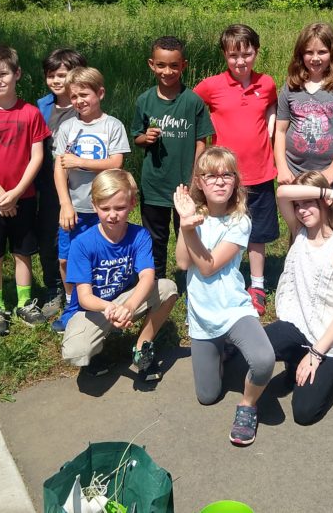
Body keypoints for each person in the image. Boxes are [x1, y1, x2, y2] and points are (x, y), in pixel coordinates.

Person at [173, 147, 276, 447]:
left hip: (233, 309)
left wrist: (189, 227)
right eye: (211, 176)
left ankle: (247, 405)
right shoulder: (194, 217)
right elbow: (182, 263)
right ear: (200, 183)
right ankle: (222, 349)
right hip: (202, 315)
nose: (219, 182)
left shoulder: (239, 221)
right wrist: (186, 222)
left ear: (235, 182)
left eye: (226, 175)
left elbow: (206, 267)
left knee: (263, 360)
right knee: (207, 396)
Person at [60, 169, 178, 381]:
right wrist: (110, 309)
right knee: (76, 352)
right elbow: (85, 297)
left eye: (120, 207)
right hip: (92, 308)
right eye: (105, 208)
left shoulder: (139, 235)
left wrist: (129, 306)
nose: (112, 215)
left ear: (132, 204)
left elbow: (147, 276)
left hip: (124, 301)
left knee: (167, 288)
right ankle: (97, 349)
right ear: (94, 206)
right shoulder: (82, 243)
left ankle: (142, 347)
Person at [265, 172, 333, 425]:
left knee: (304, 413)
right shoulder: (298, 230)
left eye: (308, 202)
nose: (301, 210)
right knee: (256, 351)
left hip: (326, 341)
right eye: (297, 205)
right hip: (296, 327)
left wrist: (317, 354)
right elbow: (280, 193)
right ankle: (295, 360)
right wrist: (327, 192)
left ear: (325, 204)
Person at [194, 24, 278, 316]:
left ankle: (256, 284)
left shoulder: (266, 83)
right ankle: (220, 276)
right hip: (224, 176)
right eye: (233, 56)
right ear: (224, 56)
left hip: (262, 172)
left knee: (258, 232)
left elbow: (273, 106)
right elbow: (190, 107)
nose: (240, 62)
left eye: (247, 54)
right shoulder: (211, 86)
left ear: (256, 52)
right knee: (223, 227)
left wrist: (269, 127)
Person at [0, 45, 50, 336]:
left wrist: (15, 193)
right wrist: (2, 195)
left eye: (3, 74)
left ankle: (25, 303)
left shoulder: (31, 113)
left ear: (17, 74)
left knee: (23, 253)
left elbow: (37, 156)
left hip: (24, 197)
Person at [53, 67, 129, 329]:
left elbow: (116, 163)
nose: (78, 101)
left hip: (104, 210)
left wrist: (80, 161)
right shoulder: (67, 127)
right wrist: (64, 203)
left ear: (100, 93)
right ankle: (71, 303)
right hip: (75, 208)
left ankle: (100, 302)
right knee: (66, 259)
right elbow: (59, 167)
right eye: (73, 96)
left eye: (84, 94)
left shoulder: (112, 126)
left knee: (99, 258)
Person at [131, 36, 213, 279]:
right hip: (154, 183)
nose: (167, 71)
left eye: (174, 66)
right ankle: (154, 282)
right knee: (154, 236)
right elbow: (136, 136)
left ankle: (190, 280)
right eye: (161, 65)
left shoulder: (193, 101)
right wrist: (146, 138)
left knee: (187, 233)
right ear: (151, 64)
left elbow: (202, 140)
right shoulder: (144, 100)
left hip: (185, 185)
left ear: (183, 65)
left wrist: (195, 177)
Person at [274, 22, 333, 190]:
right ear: (301, 54)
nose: (315, 58)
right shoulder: (291, 85)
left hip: (329, 173)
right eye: (309, 52)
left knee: (325, 216)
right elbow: (280, 130)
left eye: (322, 52)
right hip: (293, 172)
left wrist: (332, 172)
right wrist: (282, 168)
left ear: (332, 53)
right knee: (296, 215)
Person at [35, 48, 88, 318]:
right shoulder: (40, 106)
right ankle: (54, 288)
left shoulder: (84, 106)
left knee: (78, 238)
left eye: (63, 75)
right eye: (51, 75)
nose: (56, 81)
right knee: (48, 240)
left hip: (79, 186)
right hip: (46, 184)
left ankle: (83, 288)